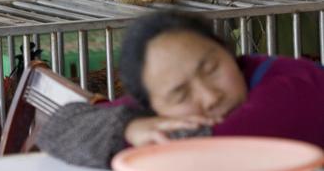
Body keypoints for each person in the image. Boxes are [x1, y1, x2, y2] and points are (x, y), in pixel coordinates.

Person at [36, 11, 324, 168]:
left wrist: (122, 134)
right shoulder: (155, 113)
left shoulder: (295, 86)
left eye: (211, 68)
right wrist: (129, 127)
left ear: (228, 52)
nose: (210, 97)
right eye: (180, 95)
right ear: (152, 104)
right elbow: (59, 127)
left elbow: (203, 149)